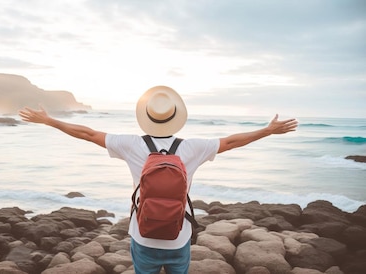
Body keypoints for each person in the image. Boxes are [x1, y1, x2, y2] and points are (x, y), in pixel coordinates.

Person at [18, 85, 298, 274]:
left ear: (147, 118)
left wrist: (50, 121)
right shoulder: (193, 147)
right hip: (179, 236)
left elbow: (87, 134)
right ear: (176, 117)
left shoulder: (130, 145)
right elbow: (232, 141)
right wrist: (267, 131)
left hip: (143, 235)